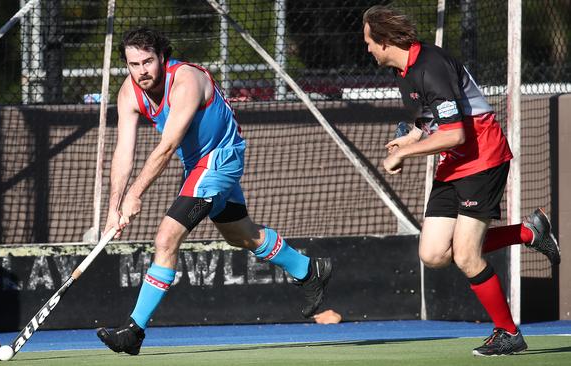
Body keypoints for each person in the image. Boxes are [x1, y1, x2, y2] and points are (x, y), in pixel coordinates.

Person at [95, 27, 332, 356]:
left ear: (163, 57)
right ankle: (308, 270)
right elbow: (124, 153)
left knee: (166, 238)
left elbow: (168, 146)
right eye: (133, 64)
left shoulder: (186, 80)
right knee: (242, 235)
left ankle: (134, 331)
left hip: (220, 160)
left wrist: (135, 195)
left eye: (148, 62)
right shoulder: (128, 93)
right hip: (197, 167)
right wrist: (112, 210)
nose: (142, 71)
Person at [362, 5, 560, 357]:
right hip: (452, 165)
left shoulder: (431, 67)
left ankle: (508, 332)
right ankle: (528, 233)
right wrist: (411, 137)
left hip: (482, 158)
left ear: (386, 40)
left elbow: (455, 134)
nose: (367, 49)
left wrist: (403, 155)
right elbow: (433, 120)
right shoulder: (404, 71)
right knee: (435, 253)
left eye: (369, 42)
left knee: (467, 255)